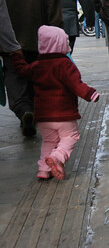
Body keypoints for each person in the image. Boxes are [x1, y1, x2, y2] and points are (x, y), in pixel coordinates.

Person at [10, 26, 99, 180]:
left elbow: (23, 70)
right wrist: (90, 93)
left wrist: (16, 56)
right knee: (71, 136)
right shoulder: (64, 65)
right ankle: (58, 157)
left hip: (43, 116)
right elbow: (76, 84)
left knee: (49, 141)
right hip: (64, 114)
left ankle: (43, 170)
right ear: (59, 44)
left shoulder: (38, 65)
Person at [0, 0, 63, 137]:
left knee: (14, 74)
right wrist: (56, 37)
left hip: (8, 37)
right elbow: (53, 5)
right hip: (38, 36)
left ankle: (23, 109)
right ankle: (33, 110)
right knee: (37, 75)